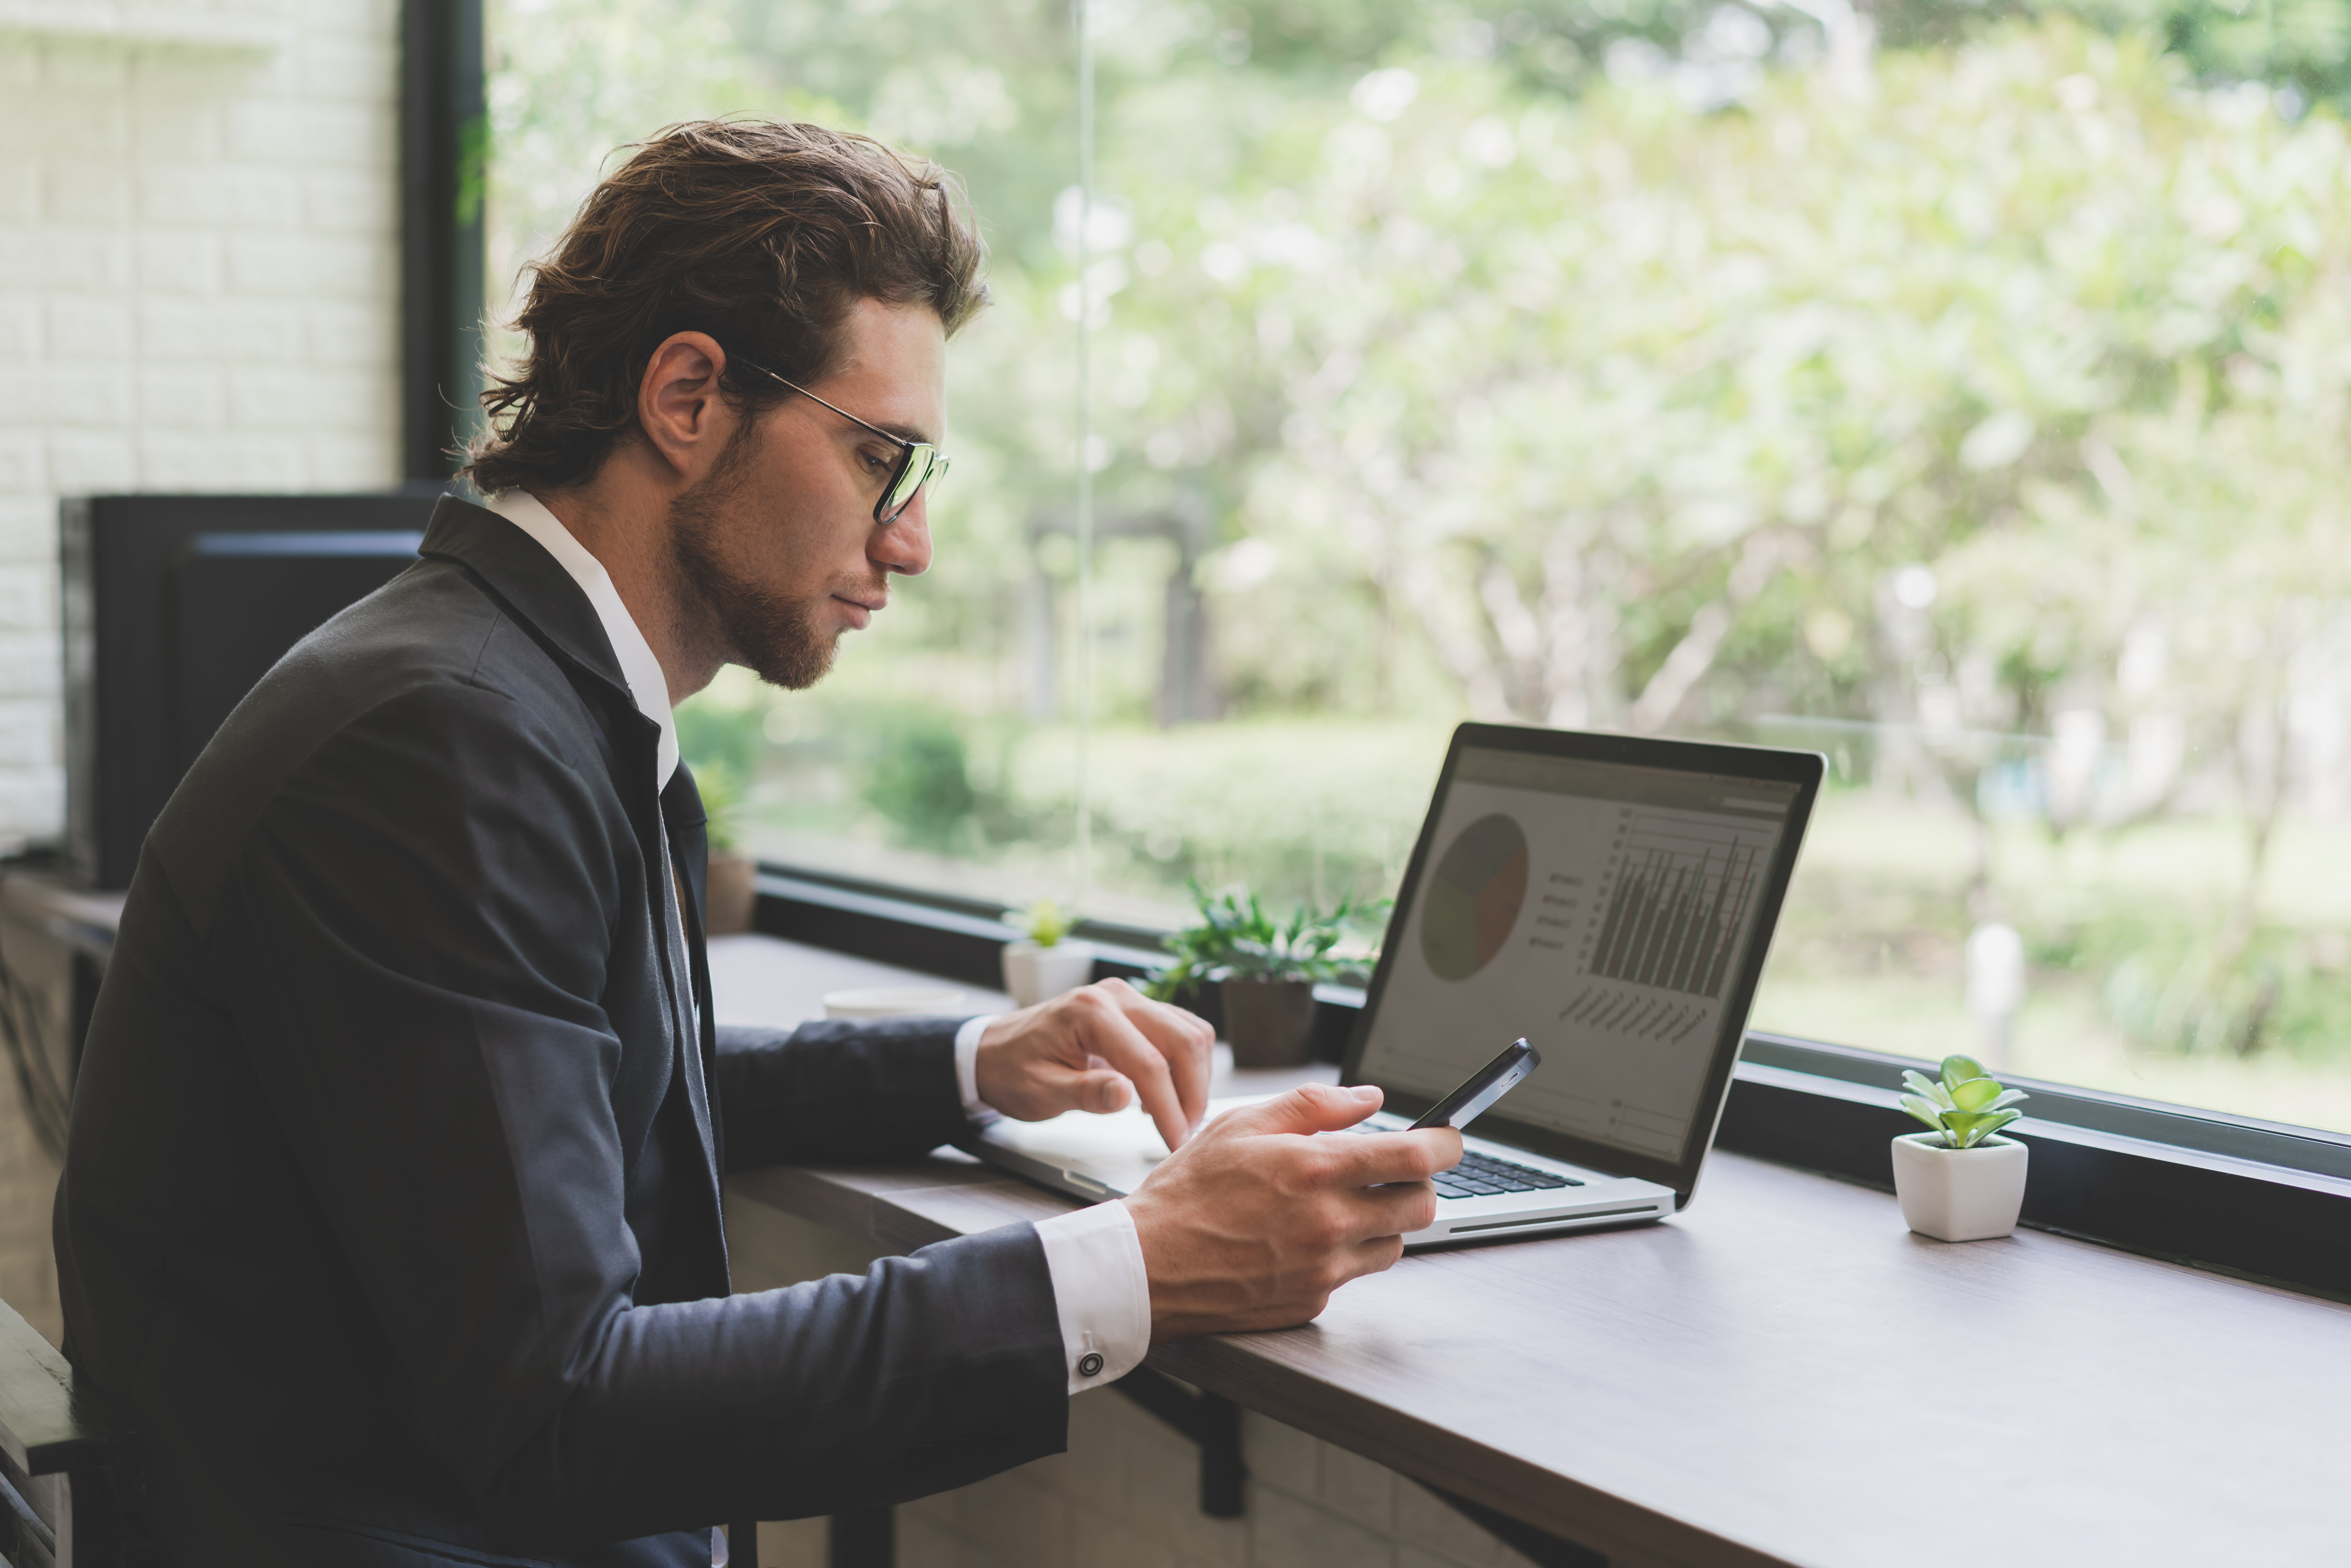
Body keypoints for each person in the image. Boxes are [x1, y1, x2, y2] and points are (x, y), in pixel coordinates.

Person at [52, 119, 1460, 1568]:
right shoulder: (448, 741)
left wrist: (967, 1062)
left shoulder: (502, 681)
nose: (909, 540)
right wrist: (1139, 1261)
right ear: (686, 397)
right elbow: (565, 1415)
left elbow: (559, 1085)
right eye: (877, 457)